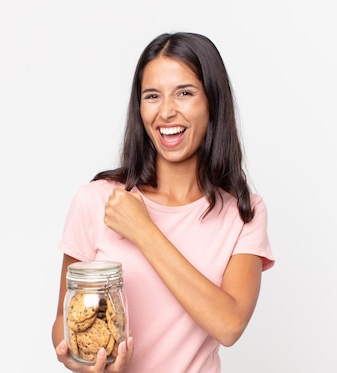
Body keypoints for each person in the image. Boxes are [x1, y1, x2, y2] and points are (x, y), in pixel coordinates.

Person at [52, 31, 275, 372]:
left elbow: (229, 324)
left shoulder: (243, 213)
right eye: (152, 96)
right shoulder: (98, 200)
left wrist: (143, 231)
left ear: (212, 101)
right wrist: (78, 359)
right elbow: (62, 324)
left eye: (184, 93)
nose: (166, 112)